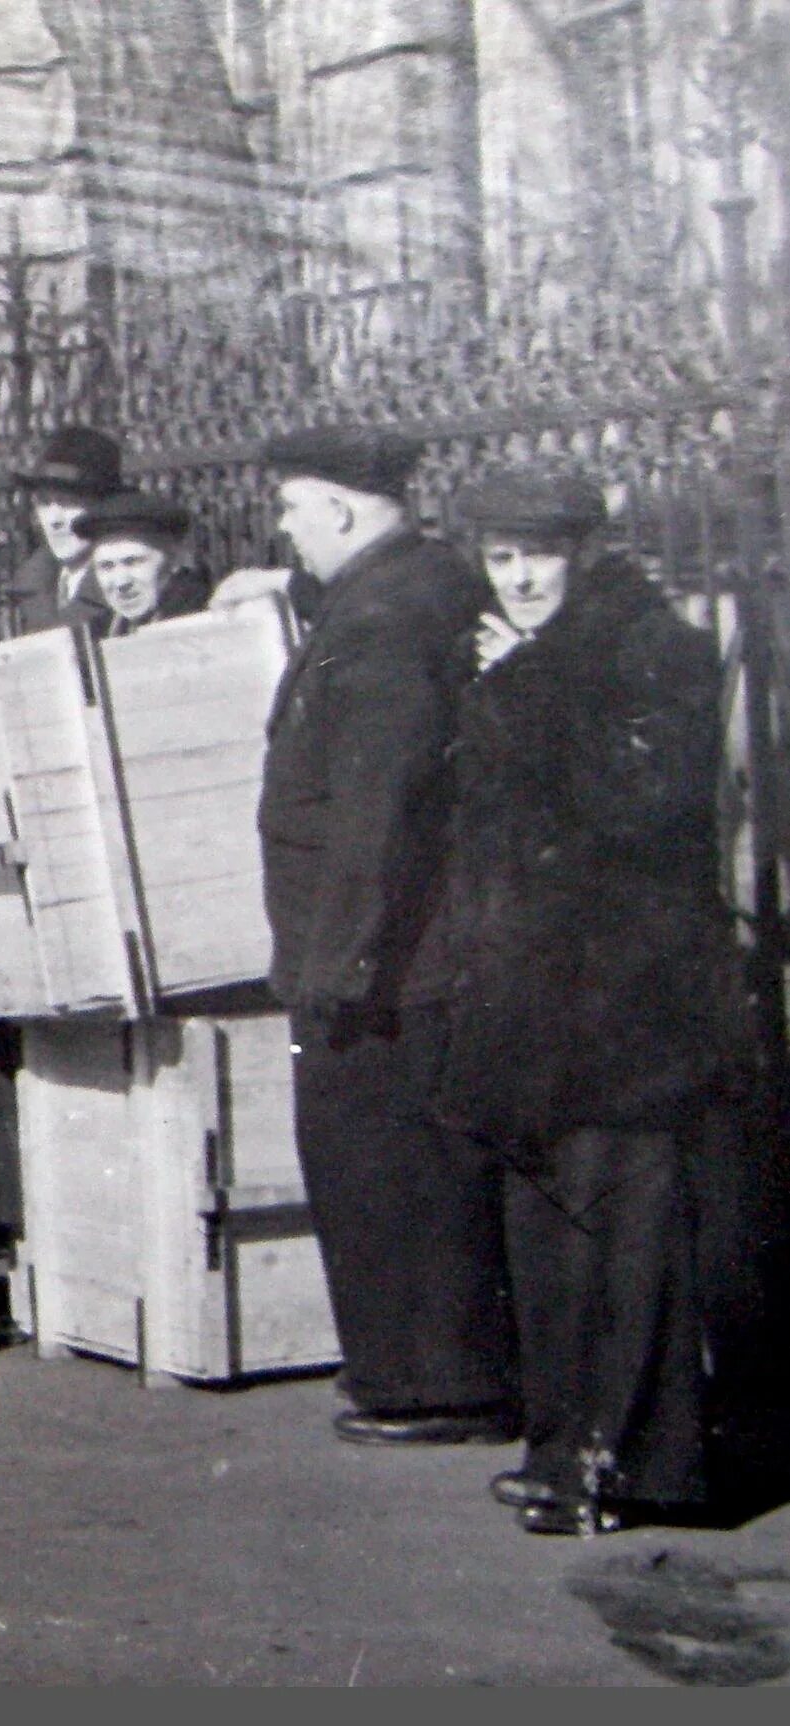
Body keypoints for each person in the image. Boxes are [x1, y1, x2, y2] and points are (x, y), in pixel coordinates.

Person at [431, 469, 750, 1534]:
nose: (516, 576)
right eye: (500, 556)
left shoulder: (647, 645)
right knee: (552, 1237)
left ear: (580, 553)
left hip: (621, 999)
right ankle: (566, 1446)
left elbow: (642, 805)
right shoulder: (510, 651)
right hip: (532, 994)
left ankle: (630, 1466)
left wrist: (524, 686)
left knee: (623, 1234)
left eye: (536, 555)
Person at [255, 424, 516, 1447]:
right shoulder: (408, 589)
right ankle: (428, 1370)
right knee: (411, 1168)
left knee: (384, 1171)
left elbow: (380, 802)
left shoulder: (381, 617)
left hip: (384, 966)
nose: (282, 528)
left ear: (341, 509)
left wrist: (338, 960)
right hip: (404, 953)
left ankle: (426, 1384)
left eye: (289, 507)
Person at [1, 426, 128, 639]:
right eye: (44, 503)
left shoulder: (126, 591)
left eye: (69, 503)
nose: (54, 520)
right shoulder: (23, 596)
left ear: (104, 508)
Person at [64, 490, 215, 637]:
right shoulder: (96, 634)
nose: (121, 582)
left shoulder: (206, 619)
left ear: (174, 560)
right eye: (106, 567)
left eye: (133, 562)